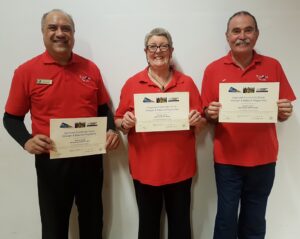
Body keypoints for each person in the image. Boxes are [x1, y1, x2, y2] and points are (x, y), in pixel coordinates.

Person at [3, 9, 119, 239]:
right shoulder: (26, 71)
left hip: (90, 159)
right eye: (53, 28)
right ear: (43, 33)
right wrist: (26, 141)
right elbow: (11, 118)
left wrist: (111, 129)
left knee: (93, 222)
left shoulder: (90, 69)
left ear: (73, 33)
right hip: (51, 162)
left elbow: (103, 108)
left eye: (66, 28)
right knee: (54, 226)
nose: (60, 33)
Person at [201, 11, 296, 239]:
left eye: (248, 30)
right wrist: (210, 113)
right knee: (226, 220)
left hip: (263, 159)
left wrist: (285, 112)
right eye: (236, 31)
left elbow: (282, 113)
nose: (242, 36)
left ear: (257, 34)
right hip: (227, 160)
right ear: (227, 36)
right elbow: (205, 113)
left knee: (254, 221)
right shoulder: (213, 69)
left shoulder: (273, 66)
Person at [114, 27, 204, 239]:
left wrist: (196, 121)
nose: (158, 51)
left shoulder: (187, 82)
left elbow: (201, 122)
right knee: (148, 226)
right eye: (153, 46)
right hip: (145, 169)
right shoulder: (132, 83)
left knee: (180, 226)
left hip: (180, 168)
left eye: (163, 46)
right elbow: (118, 119)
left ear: (171, 51)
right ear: (145, 52)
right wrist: (124, 123)